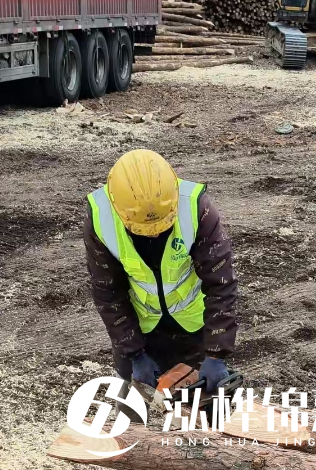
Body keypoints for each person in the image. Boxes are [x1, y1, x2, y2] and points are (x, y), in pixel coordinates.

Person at [85, 149, 238, 399]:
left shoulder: (197, 209)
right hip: (138, 326)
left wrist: (216, 353)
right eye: (143, 228)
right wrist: (134, 353)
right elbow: (108, 292)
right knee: (132, 406)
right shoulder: (101, 219)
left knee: (206, 405)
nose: (155, 234)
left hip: (192, 325)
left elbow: (220, 283)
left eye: (162, 224)